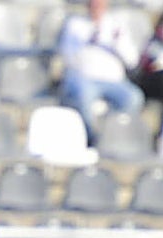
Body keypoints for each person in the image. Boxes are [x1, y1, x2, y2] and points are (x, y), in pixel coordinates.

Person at [56, 0, 145, 142]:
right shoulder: (75, 25)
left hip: (114, 81)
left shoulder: (116, 26)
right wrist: (88, 41)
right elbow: (68, 56)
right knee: (84, 97)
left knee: (134, 98)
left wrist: (118, 43)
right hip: (85, 79)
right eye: (94, 3)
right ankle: (91, 139)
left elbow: (132, 60)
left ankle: (111, 136)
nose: (97, 5)